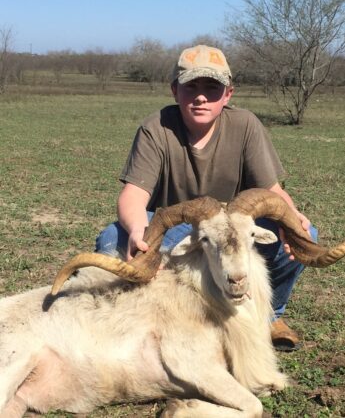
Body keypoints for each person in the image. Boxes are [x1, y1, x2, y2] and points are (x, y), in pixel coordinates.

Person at [96, 44, 317, 351]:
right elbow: (133, 194)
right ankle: (154, 318)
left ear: (228, 94)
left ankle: (267, 317)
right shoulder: (155, 128)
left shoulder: (245, 125)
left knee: (305, 233)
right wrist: (136, 230)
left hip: (235, 230)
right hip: (178, 228)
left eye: (212, 88)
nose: (201, 96)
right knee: (111, 238)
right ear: (175, 90)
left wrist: (294, 217)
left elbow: (272, 191)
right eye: (191, 86)